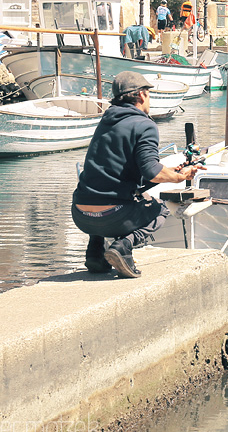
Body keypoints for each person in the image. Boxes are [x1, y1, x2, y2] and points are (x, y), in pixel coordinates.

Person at [70, 71, 203, 278]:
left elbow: (120, 171)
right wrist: (180, 177)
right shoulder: (145, 125)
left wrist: (171, 170)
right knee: (160, 209)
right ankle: (123, 246)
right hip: (112, 217)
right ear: (141, 95)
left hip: (80, 215)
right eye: (149, 94)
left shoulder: (105, 122)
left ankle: (95, 253)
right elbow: (151, 171)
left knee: (102, 190)